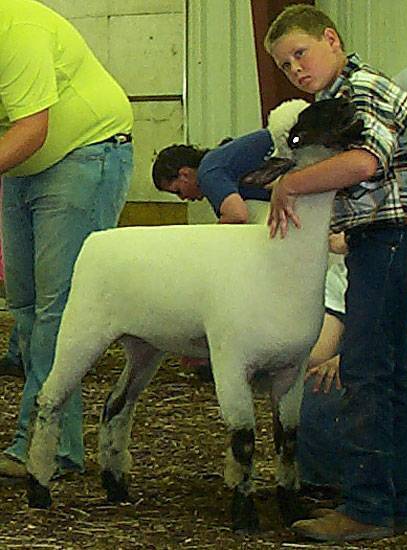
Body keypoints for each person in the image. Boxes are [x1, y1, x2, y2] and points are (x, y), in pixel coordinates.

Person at [264, 4, 407, 542]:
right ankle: (391, 503)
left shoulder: (367, 89)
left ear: (332, 40)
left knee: (365, 370)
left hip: (392, 239)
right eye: (285, 65)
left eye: (301, 53)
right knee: (386, 373)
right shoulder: (333, 103)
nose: (296, 69)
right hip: (382, 240)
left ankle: (367, 507)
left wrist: (291, 183)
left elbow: (366, 161)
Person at [0, 0, 134, 479]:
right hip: (22, 167)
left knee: (57, 308)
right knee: (25, 305)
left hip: (83, 153)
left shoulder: (16, 29)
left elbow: (32, 128)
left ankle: (43, 445)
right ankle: (58, 442)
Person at [298, 227, 407, 508]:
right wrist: (280, 361)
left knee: (358, 406)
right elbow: (320, 350)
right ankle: (349, 484)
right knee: (309, 397)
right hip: (397, 374)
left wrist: (355, 359)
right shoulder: (340, 271)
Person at [152, 133, 274, 224]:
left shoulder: (207, 173)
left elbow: (237, 215)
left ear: (185, 174)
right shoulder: (215, 163)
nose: (183, 198)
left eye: (178, 191)